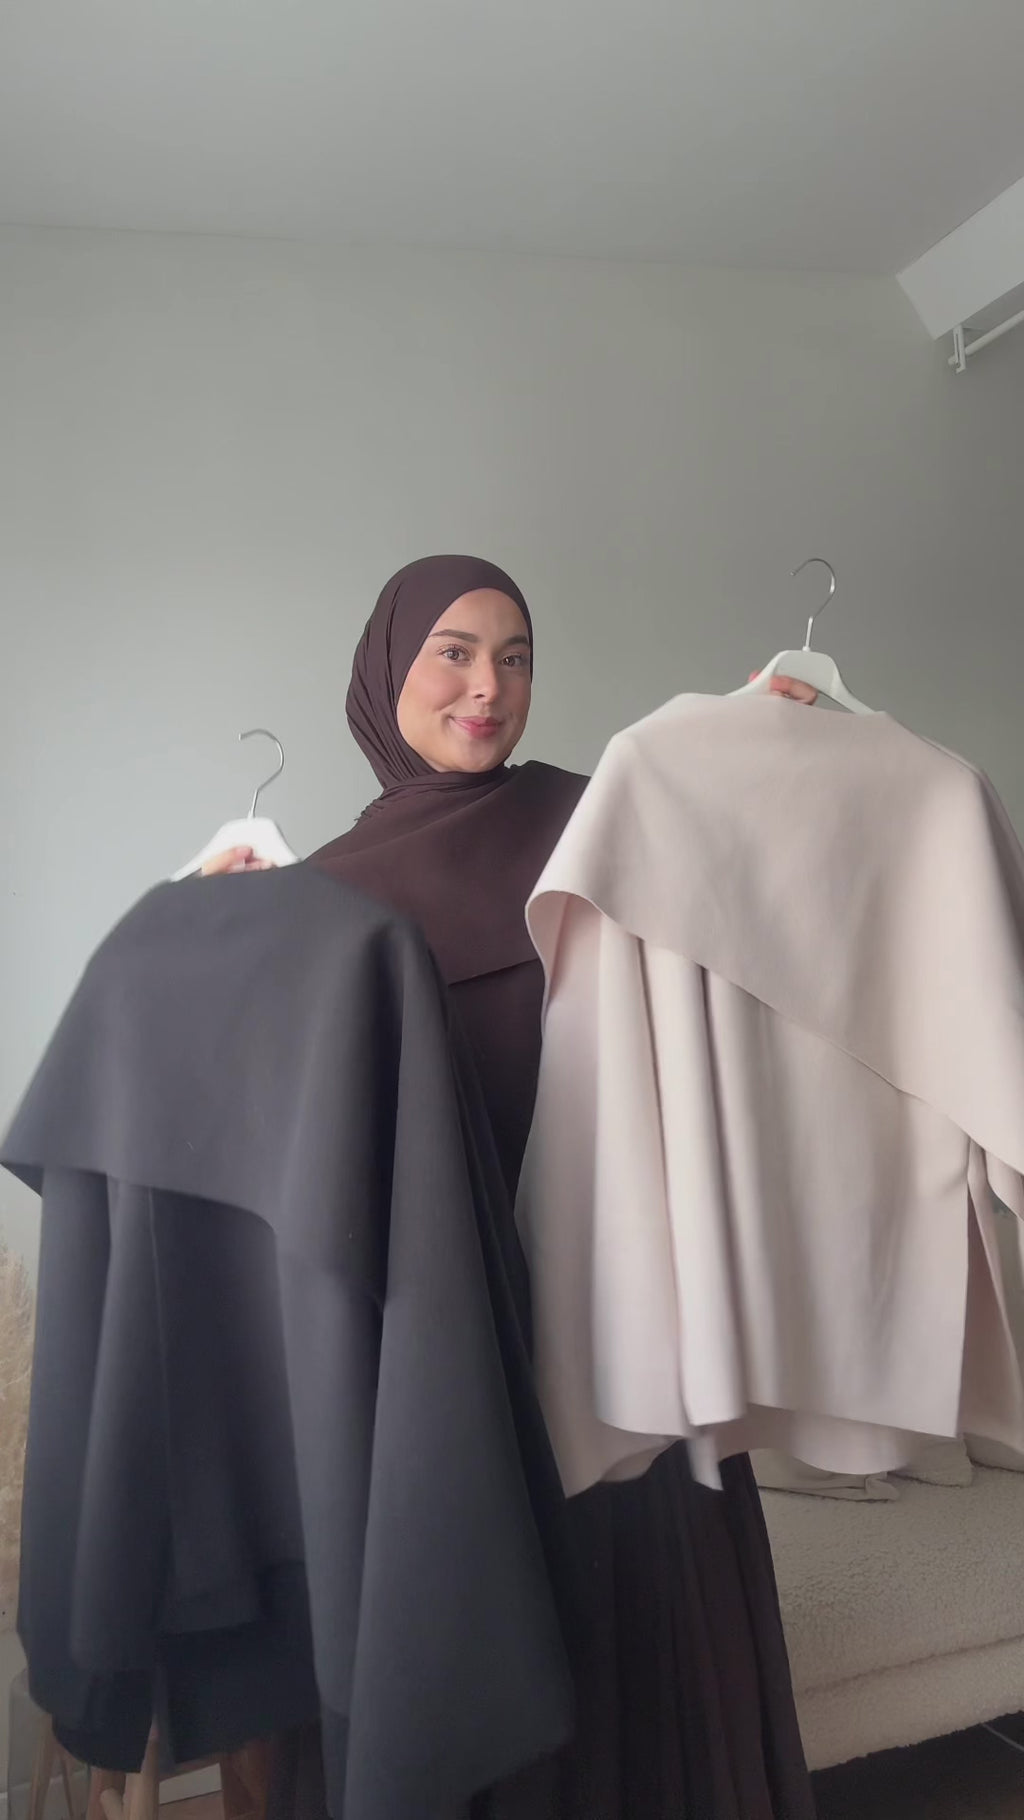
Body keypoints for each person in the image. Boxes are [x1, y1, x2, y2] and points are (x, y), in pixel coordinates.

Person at [205, 554, 817, 1819]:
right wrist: (229, 955)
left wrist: (770, 743)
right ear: (387, 673)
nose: (488, 686)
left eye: (516, 655)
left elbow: (751, 875)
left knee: (643, 1656)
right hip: (439, 1342)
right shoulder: (315, 895)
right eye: (455, 652)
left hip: (626, 1321)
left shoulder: (601, 822)